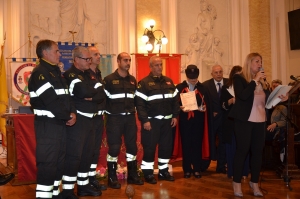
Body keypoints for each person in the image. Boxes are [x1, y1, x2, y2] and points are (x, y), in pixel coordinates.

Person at [229, 52, 287, 197]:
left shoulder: (263, 82)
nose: (260, 64)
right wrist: (254, 80)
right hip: (244, 122)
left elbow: (268, 103)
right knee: (242, 152)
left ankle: (254, 183)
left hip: (260, 122)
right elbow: (242, 96)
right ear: (249, 63)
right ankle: (236, 183)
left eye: (261, 61)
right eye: (257, 61)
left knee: (257, 154)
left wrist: (280, 98)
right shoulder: (239, 78)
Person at [28, 39, 77, 199]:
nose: (59, 53)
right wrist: (67, 116)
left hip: (59, 125)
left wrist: (72, 112)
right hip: (48, 126)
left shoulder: (55, 72)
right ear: (45, 53)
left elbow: (67, 97)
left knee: (58, 162)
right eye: (56, 51)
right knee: (48, 164)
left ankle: (55, 195)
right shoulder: (39, 73)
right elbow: (51, 102)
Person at [62, 46, 104, 198]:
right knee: (74, 156)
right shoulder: (70, 74)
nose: (89, 61)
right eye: (86, 59)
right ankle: (67, 190)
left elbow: (102, 94)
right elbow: (82, 91)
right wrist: (92, 92)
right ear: (76, 60)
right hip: (78, 122)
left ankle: (83, 186)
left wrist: (91, 95)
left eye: (89, 59)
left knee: (87, 155)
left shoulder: (89, 74)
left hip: (91, 120)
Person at [136, 55, 180, 184]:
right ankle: (148, 174)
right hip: (151, 123)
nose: (159, 67)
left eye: (161, 64)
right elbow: (140, 105)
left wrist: (175, 116)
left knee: (166, 148)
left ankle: (163, 171)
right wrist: (145, 120)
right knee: (149, 148)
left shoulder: (169, 81)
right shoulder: (144, 83)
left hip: (167, 122)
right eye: (156, 65)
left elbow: (175, 101)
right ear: (150, 67)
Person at [103, 52, 143, 189]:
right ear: (118, 62)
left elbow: (137, 100)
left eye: (129, 60)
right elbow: (103, 101)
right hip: (114, 119)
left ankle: (132, 175)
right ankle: (112, 177)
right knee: (114, 147)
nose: (128, 62)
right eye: (125, 60)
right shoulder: (108, 80)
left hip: (130, 118)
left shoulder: (133, 80)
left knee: (132, 147)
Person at [176, 65, 210, 179]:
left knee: (197, 145)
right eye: (191, 77)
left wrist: (205, 108)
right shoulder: (179, 87)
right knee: (186, 145)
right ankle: (186, 169)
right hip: (185, 121)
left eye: (195, 77)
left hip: (198, 121)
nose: (193, 79)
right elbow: (174, 104)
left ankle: (197, 169)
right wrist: (179, 108)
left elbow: (207, 103)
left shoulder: (203, 88)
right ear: (186, 76)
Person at [220, 65, 249, 179]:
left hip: (243, 121)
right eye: (236, 74)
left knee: (243, 147)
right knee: (231, 148)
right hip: (230, 122)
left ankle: (244, 172)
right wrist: (231, 101)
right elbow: (222, 106)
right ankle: (232, 172)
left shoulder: (246, 87)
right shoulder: (226, 88)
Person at [86, 46, 107, 191]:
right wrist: (95, 97)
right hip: (89, 118)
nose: (99, 57)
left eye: (99, 54)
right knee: (87, 150)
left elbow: (100, 95)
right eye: (95, 54)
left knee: (95, 150)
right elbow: (87, 96)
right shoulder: (85, 74)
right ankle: (84, 180)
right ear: (88, 57)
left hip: (99, 117)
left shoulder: (98, 73)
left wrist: (95, 97)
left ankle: (92, 177)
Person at [202, 65, 228, 173]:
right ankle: (204, 165)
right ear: (212, 74)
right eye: (216, 72)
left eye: (220, 72)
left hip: (226, 119)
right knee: (209, 141)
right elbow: (203, 102)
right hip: (212, 119)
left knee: (224, 142)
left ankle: (221, 166)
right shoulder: (205, 85)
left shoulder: (229, 83)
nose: (218, 74)